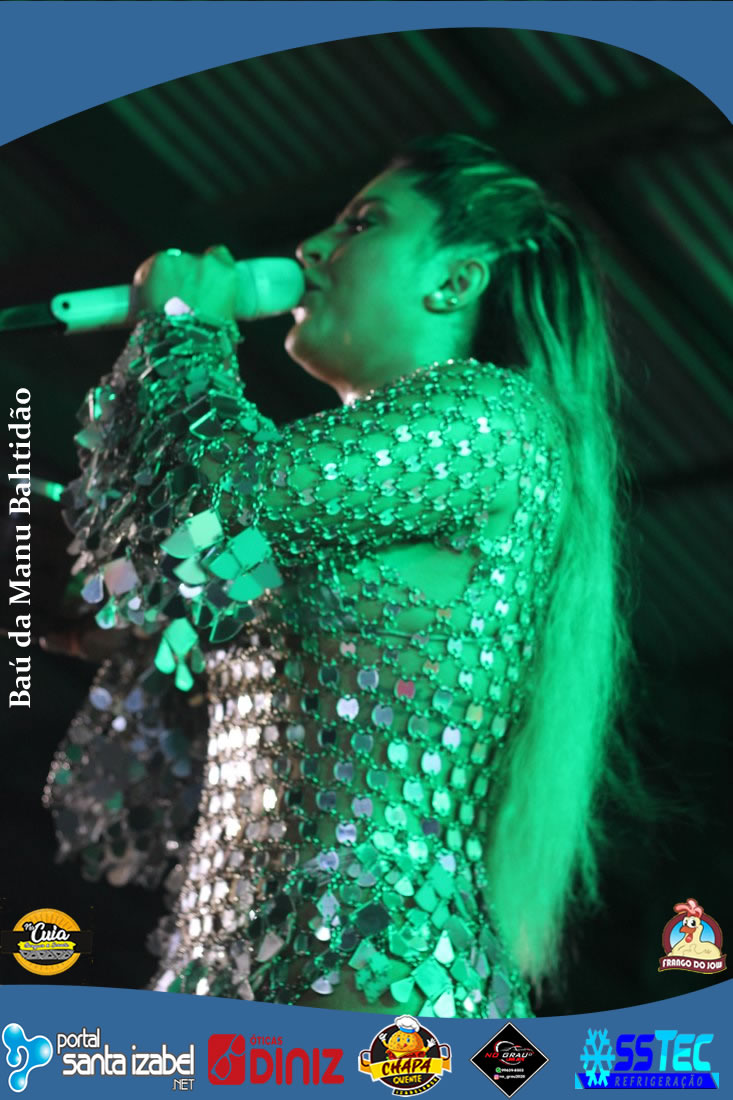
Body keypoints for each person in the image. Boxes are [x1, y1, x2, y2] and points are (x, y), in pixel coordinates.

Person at [44, 133, 629, 1016]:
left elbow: (228, 499)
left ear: (456, 280)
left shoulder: (490, 419)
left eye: (362, 224)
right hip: (244, 975)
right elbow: (154, 583)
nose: (312, 248)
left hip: (367, 969)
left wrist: (182, 324)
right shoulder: (325, 516)